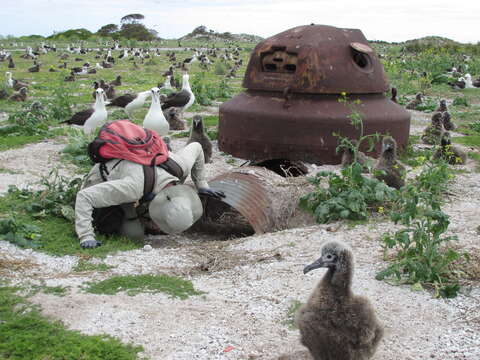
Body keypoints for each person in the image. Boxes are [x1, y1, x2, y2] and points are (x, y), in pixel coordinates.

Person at [75, 142, 224, 249]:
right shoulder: (132, 188)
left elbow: (197, 147)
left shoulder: (180, 166)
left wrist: (202, 185)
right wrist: (86, 236)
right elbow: (84, 197)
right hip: (103, 177)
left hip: (137, 175)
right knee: (112, 224)